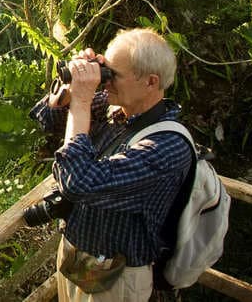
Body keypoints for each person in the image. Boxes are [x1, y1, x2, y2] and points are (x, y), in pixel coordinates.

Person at [29, 28, 193, 302]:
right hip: (75, 259)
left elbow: (78, 182)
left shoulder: (167, 147)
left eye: (113, 75)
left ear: (151, 82)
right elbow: (49, 119)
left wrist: (82, 101)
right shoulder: (118, 108)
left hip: (116, 279)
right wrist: (71, 88)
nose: (105, 82)